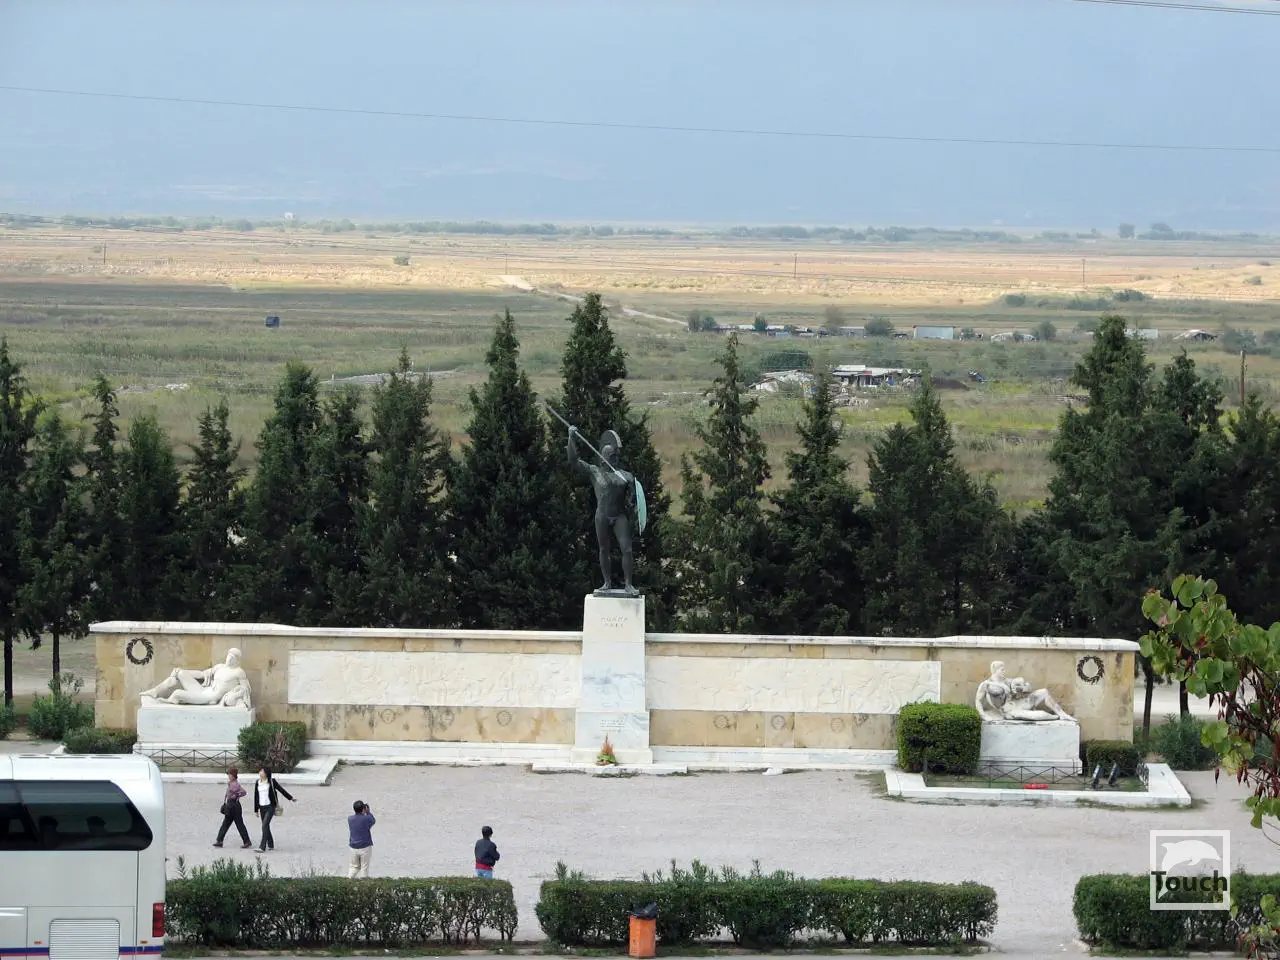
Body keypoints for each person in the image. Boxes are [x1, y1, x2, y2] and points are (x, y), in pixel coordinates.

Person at [251, 766, 295, 852]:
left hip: (270, 806)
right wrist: (256, 810)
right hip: (262, 807)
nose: (260, 772)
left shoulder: (271, 781)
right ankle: (271, 845)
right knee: (266, 826)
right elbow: (256, 796)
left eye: (262, 771)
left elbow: (281, 790)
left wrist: (290, 798)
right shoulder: (257, 782)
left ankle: (262, 847)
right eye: (260, 771)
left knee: (264, 825)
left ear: (266, 773)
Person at [213, 767, 252, 849]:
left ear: (234, 775)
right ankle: (219, 840)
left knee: (238, 824)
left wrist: (236, 795)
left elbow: (243, 792)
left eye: (230, 774)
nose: (229, 776)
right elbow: (243, 792)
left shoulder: (235, 784)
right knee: (227, 824)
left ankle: (246, 841)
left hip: (234, 806)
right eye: (228, 774)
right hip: (231, 805)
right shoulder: (232, 783)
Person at [347, 800, 376, 879]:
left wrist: (364, 812)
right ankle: (363, 883)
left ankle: (348, 880)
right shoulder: (366, 818)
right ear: (363, 808)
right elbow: (373, 821)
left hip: (353, 847)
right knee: (364, 867)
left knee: (354, 867)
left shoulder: (350, 819)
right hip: (365, 847)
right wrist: (368, 812)